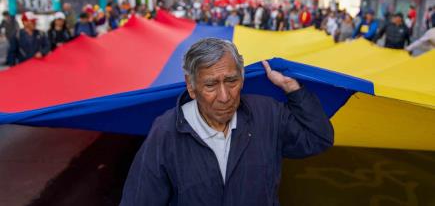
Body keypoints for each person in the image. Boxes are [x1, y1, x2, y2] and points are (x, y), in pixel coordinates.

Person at [120, 38, 333, 205]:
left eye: (231, 81)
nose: (224, 96)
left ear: (242, 78)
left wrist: (292, 89)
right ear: (191, 87)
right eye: (211, 85)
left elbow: (318, 138)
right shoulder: (166, 132)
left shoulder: (267, 114)